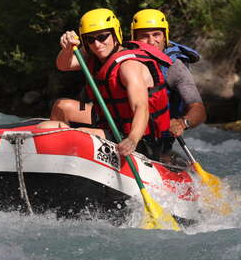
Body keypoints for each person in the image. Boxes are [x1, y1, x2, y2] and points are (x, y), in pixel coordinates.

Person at [38, 8, 171, 160]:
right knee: (50, 123)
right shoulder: (93, 56)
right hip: (109, 126)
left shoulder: (129, 66)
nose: (97, 44)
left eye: (102, 37)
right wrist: (68, 48)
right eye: (90, 39)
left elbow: (140, 107)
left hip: (140, 140)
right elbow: (63, 65)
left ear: (115, 34)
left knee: (62, 132)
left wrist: (132, 140)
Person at [130, 9, 207, 162]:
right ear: (134, 38)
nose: (151, 41)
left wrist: (181, 123)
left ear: (165, 36)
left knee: (164, 157)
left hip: (159, 139)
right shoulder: (125, 60)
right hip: (126, 132)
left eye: (156, 35)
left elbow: (198, 109)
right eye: (144, 36)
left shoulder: (175, 68)